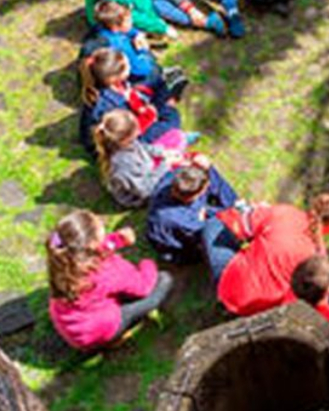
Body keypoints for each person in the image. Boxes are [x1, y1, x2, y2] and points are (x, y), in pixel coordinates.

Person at [202, 192, 329, 316]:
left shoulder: (284, 212)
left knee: (214, 224)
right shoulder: (319, 261)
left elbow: (238, 224)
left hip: (230, 287)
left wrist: (259, 212)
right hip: (257, 310)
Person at [47, 210, 173, 351]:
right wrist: (148, 263)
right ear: (93, 244)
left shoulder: (63, 261)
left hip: (72, 324)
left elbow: (94, 250)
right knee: (164, 280)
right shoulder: (107, 271)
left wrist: (118, 239)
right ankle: (112, 340)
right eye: (101, 230)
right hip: (97, 332)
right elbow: (144, 287)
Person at [78, 48, 187, 156]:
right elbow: (126, 132)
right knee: (172, 118)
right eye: (127, 65)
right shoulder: (108, 106)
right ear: (115, 77)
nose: (131, 65)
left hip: (132, 114)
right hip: (122, 141)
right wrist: (148, 115)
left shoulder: (113, 84)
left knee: (168, 81)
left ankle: (166, 99)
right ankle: (167, 110)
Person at [146, 162, 240, 264]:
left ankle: (234, 205)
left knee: (229, 205)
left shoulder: (173, 178)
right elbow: (200, 233)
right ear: (192, 197)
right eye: (204, 189)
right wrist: (201, 220)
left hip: (187, 216)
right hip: (177, 248)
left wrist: (209, 168)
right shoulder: (185, 221)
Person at [92, 110, 178, 209]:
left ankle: (182, 141)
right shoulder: (123, 164)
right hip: (139, 196)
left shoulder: (126, 143)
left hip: (146, 172)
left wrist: (162, 152)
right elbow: (144, 190)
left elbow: (143, 148)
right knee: (175, 181)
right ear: (124, 140)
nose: (139, 131)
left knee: (175, 136)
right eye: (136, 130)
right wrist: (165, 165)